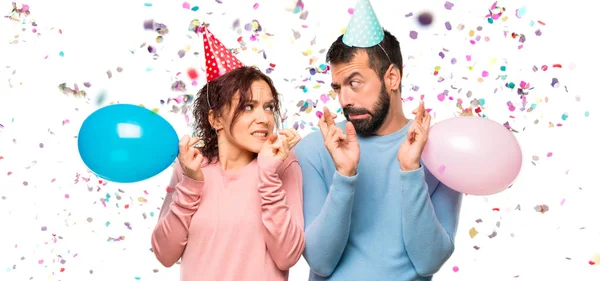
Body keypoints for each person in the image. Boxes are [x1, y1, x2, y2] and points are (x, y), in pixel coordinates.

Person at [294, 29, 463, 280]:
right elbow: (321, 261)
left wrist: (410, 170)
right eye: (338, 88)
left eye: (354, 83)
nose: (345, 99)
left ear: (392, 78)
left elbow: (428, 261)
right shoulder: (315, 149)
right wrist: (344, 175)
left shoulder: (439, 152)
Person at [151, 66, 306, 281]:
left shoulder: (282, 164)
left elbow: (288, 256)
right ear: (215, 119)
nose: (264, 118)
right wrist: (190, 184)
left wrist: (268, 174)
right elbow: (165, 255)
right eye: (248, 106)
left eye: (269, 107)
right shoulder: (192, 166)